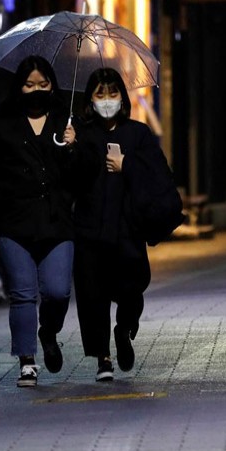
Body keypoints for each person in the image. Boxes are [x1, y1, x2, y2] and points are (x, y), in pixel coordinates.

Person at [0, 55, 82, 387]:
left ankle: (48, 332)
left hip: (56, 221)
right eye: (29, 84)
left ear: (52, 85)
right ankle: (26, 360)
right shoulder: (3, 124)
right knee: (22, 293)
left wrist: (73, 147)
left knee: (58, 291)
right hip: (14, 220)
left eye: (43, 84)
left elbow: (80, 177)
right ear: (18, 86)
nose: (36, 90)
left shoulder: (66, 121)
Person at [73, 67, 174, 382]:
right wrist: (72, 146)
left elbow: (158, 173)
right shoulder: (81, 132)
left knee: (133, 286)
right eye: (100, 94)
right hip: (90, 229)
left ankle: (125, 328)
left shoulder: (138, 133)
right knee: (94, 295)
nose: (107, 100)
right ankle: (103, 358)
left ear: (123, 97)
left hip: (127, 229)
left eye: (113, 93)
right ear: (90, 99)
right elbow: (71, 180)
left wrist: (126, 164)